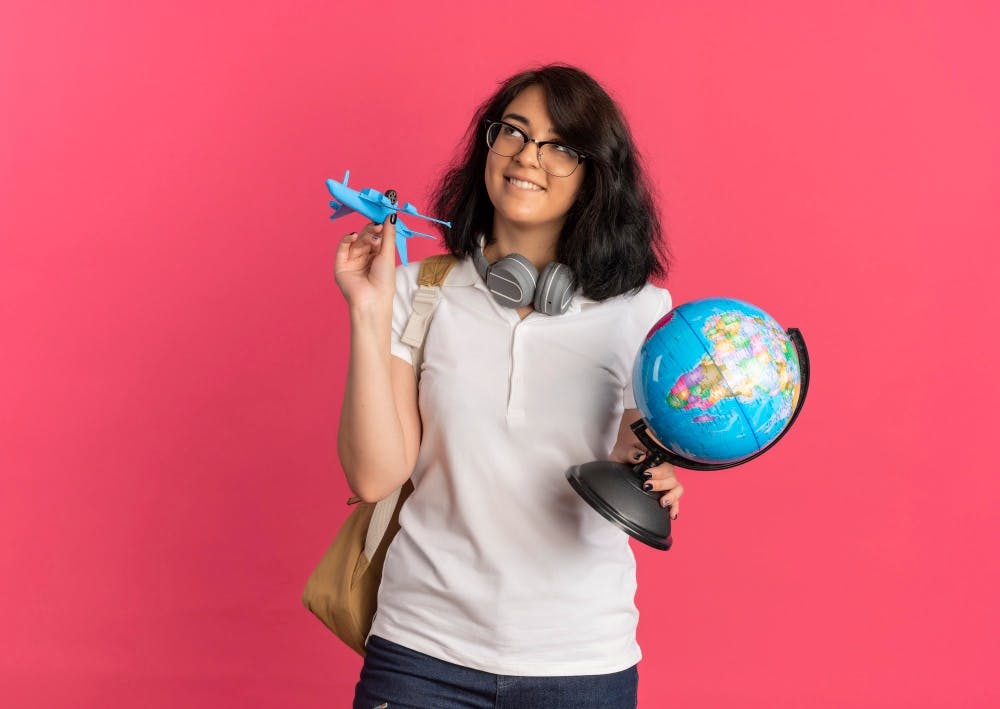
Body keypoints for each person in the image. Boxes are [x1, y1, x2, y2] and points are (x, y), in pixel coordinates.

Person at [334, 64, 684, 709]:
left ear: (595, 174)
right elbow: (375, 477)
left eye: (561, 146)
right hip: (422, 654)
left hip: (581, 659)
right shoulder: (421, 292)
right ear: (487, 147)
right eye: (514, 133)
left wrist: (658, 474)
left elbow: (635, 459)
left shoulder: (639, 312)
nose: (529, 156)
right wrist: (368, 308)